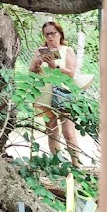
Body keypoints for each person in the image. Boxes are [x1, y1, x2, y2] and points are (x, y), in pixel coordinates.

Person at [28, 20, 81, 166]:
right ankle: (58, 165)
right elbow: (31, 71)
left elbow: (71, 73)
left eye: (53, 33)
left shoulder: (67, 50)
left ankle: (76, 165)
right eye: (47, 34)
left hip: (63, 93)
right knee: (51, 130)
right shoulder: (40, 51)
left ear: (60, 33)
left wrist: (56, 66)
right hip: (45, 93)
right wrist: (36, 65)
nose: (50, 37)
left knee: (68, 132)